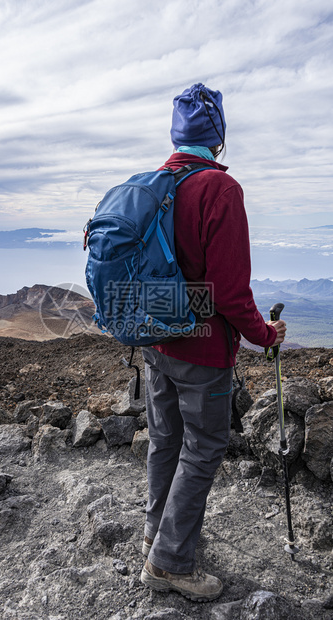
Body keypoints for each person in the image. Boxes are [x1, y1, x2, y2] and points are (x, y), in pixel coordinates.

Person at [139, 83, 286, 602]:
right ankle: (171, 561)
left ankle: (156, 535)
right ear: (217, 136)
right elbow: (228, 289)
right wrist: (264, 335)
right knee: (203, 449)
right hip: (202, 348)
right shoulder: (219, 190)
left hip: (156, 339)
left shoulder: (156, 183)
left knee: (165, 440)